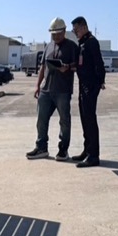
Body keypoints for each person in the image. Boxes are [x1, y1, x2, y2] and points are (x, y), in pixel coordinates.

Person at [26, 17, 79, 161]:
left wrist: (67, 67)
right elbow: (43, 67)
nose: (55, 37)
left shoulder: (72, 47)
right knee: (41, 120)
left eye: (58, 34)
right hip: (46, 90)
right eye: (53, 34)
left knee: (64, 121)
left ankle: (63, 150)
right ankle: (41, 148)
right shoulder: (48, 46)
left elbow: (78, 65)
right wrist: (37, 85)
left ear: (64, 31)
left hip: (63, 91)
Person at [71, 16, 105, 167]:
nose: (75, 33)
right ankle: (87, 149)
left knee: (90, 119)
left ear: (84, 27)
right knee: (84, 118)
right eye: (74, 31)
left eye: (76, 30)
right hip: (83, 84)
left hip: (90, 85)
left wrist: (100, 82)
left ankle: (93, 156)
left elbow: (99, 63)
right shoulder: (82, 43)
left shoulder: (92, 42)